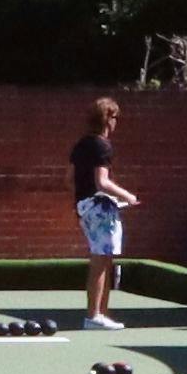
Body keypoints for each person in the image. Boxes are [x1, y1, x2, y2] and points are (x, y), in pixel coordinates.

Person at [65, 94, 136, 329]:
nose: (116, 122)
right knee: (101, 259)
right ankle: (94, 315)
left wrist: (81, 202)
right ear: (108, 119)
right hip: (99, 207)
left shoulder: (81, 144)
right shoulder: (102, 145)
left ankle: (99, 315)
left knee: (103, 258)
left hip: (84, 207)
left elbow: (69, 179)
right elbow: (102, 181)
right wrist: (128, 196)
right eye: (115, 117)